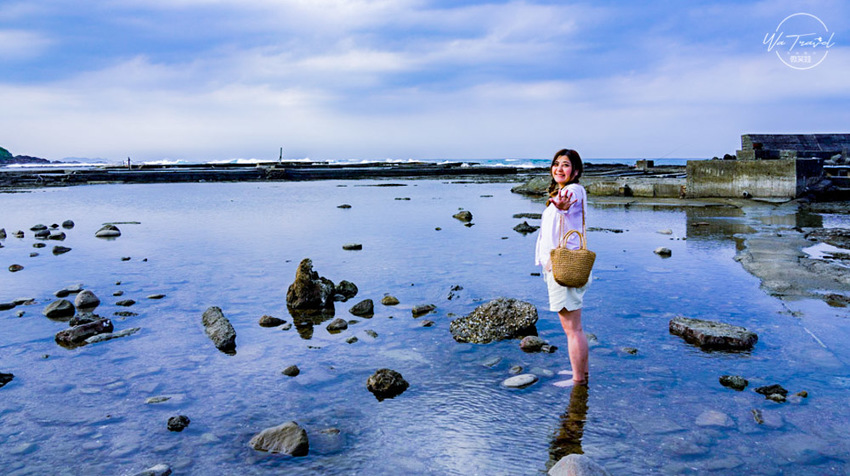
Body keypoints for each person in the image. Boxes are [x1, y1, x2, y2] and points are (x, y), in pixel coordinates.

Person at [534, 148, 591, 386]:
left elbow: (568, 203)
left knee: (572, 329)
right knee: (573, 327)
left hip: (564, 267)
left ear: (575, 171)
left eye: (565, 165)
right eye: (556, 164)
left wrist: (560, 205)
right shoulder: (563, 191)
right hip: (558, 265)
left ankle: (578, 380)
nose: (559, 168)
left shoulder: (572, 190)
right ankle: (581, 373)